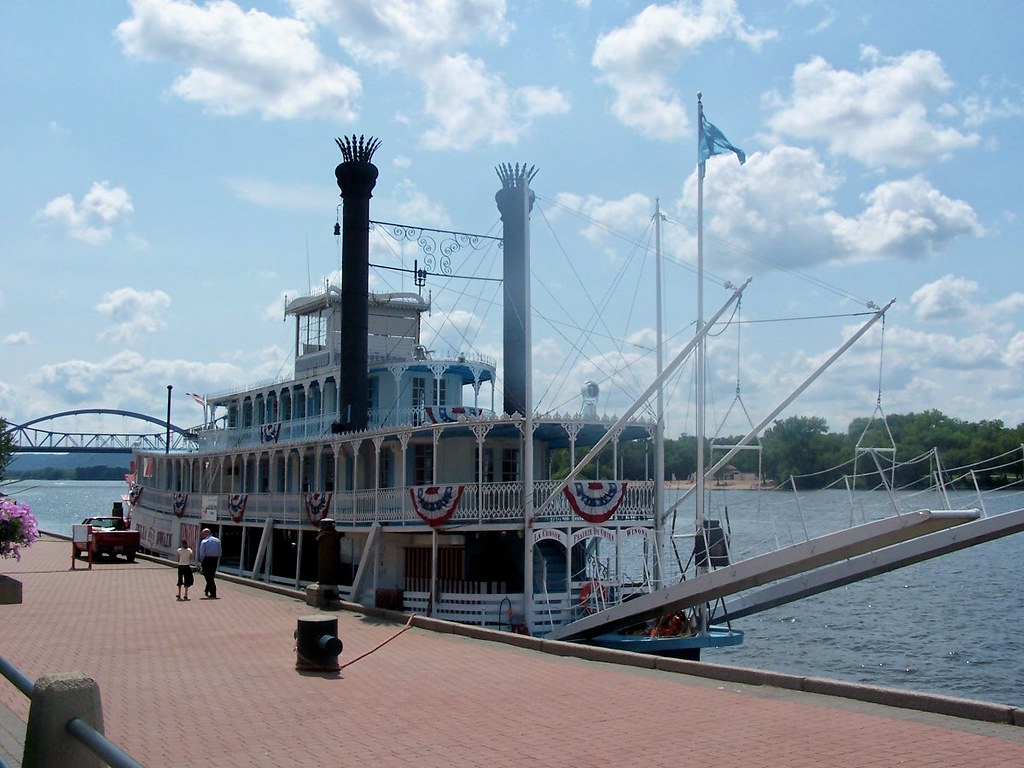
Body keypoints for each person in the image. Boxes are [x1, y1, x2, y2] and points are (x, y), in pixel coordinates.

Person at [197, 528, 222, 599]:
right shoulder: (217, 540)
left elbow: (202, 553)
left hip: (207, 559)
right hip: (215, 559)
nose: (201, 535)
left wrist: (202, 561)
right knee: (211, 575)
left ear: (206, 533)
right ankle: (207, 589)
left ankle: (213, 592)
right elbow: (220, 551)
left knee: (207, 576)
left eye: (202, 533)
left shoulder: (204, 541)